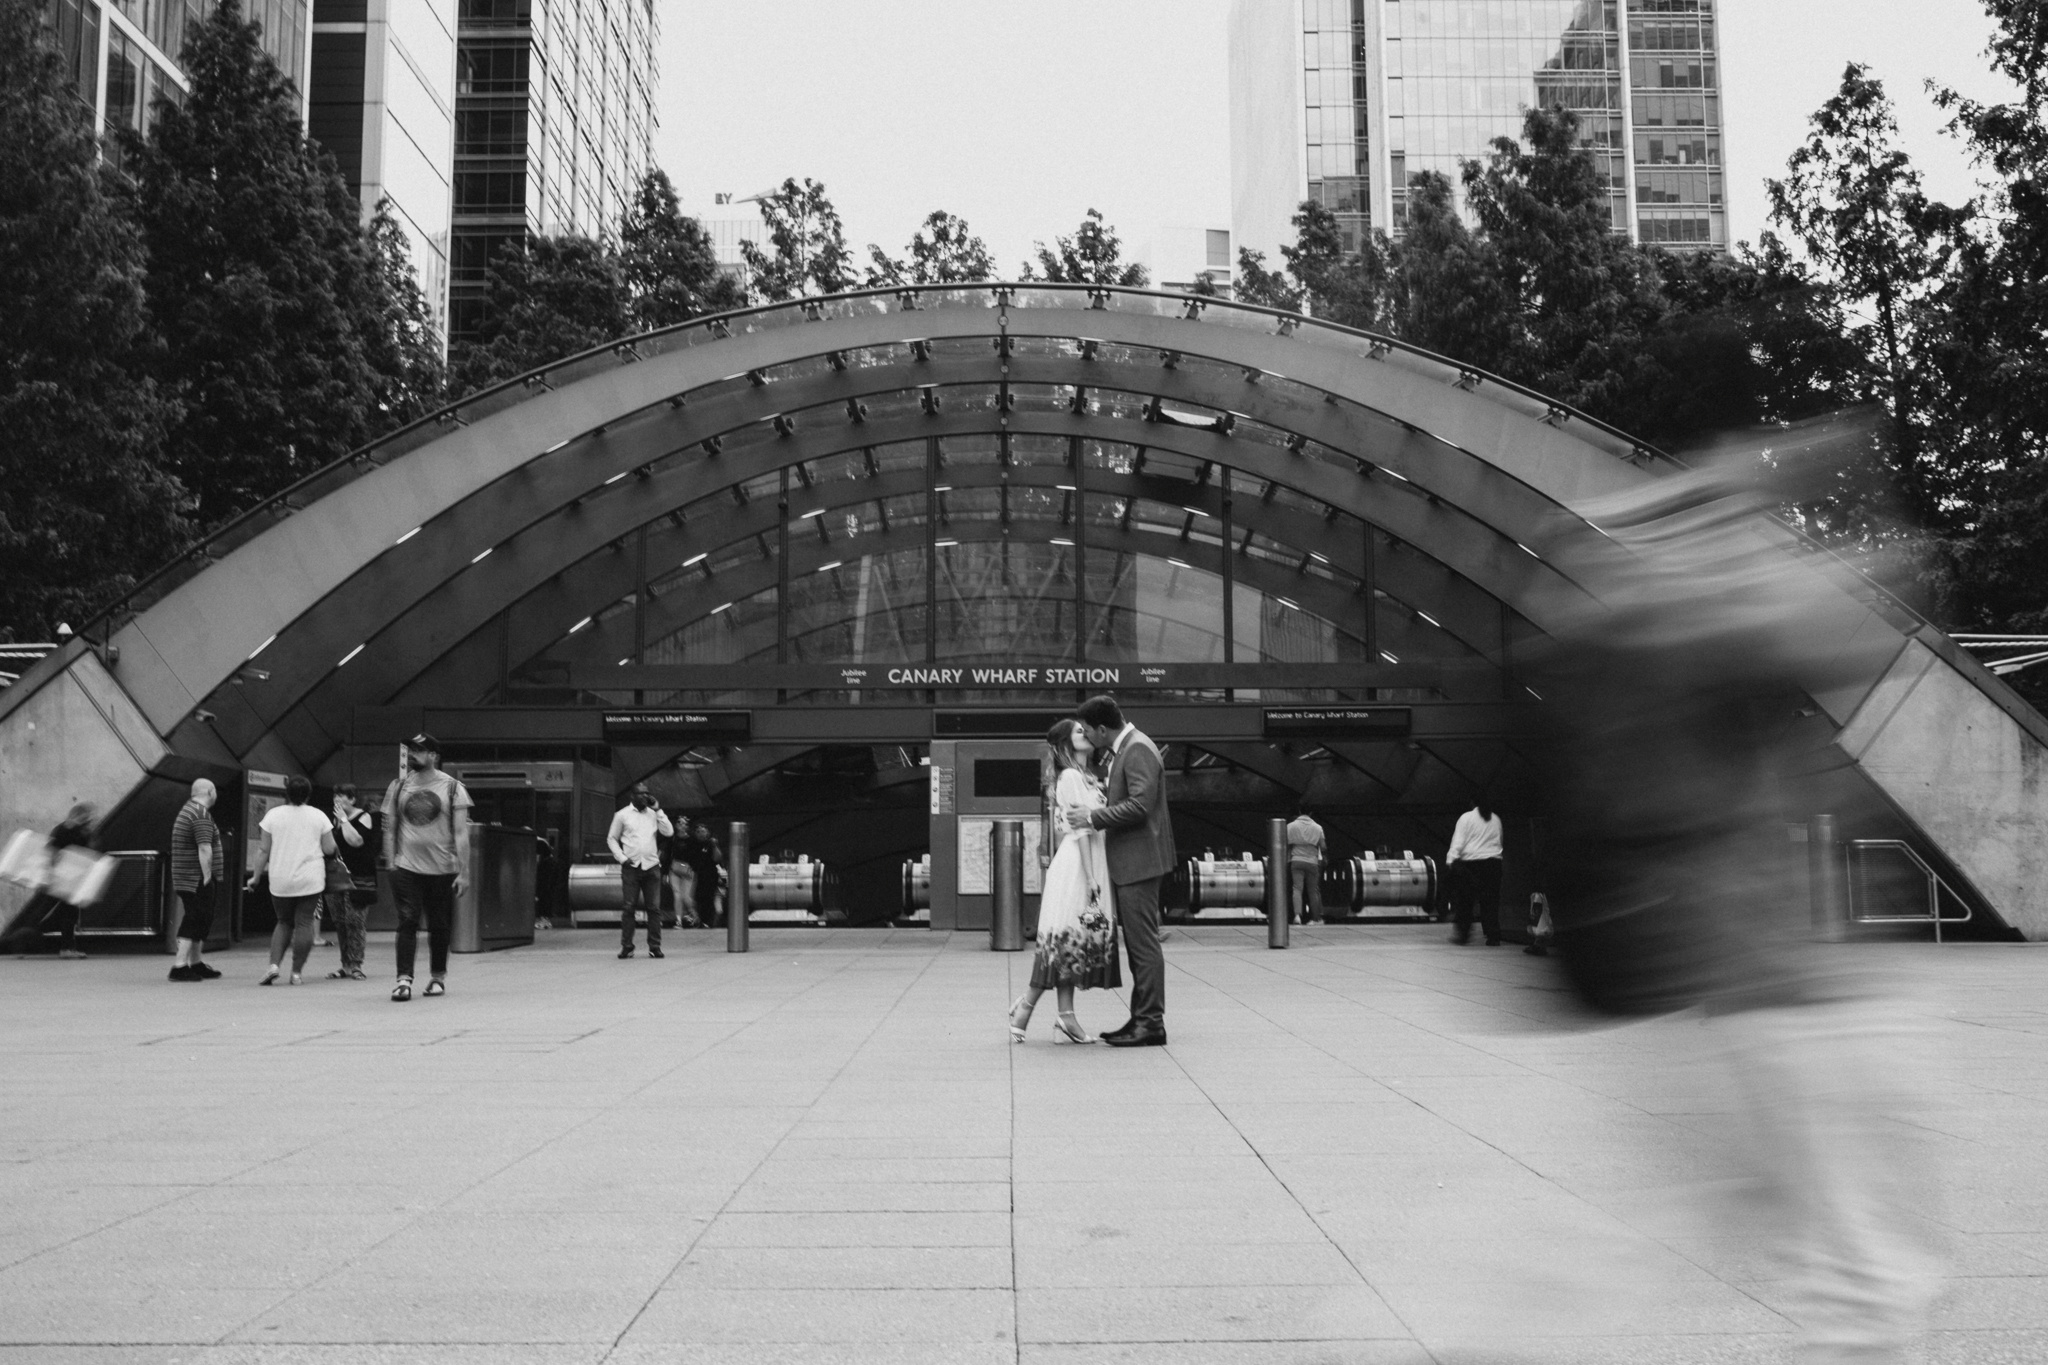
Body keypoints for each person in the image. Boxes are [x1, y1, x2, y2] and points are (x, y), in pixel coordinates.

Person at [1067, 694, 1176, 1048]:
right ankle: (1141, 1019)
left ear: (1102, 728)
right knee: (1139, 945)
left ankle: (1150, 1023)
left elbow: (1141, 805)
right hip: (1136, 861)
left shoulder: (1137, 748)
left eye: (1087, 730)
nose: (1085, 736)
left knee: (1143, 946)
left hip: (1139, 863)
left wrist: (1093, 817)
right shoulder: (1130, 746)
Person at [1010, 720, 1122, 1043]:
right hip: (1079, 864)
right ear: (1065, 744)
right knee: (1065, 941)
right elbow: (1082, 830)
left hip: (1086, 861)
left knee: (1071, 941)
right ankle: (1026, 1009)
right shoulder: (1072, 777)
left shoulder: (1086, 777)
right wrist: (1090, 877)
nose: (1085, 733)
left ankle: (1064, 1016)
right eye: (1077, 731)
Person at [380, 733, 471, 1002]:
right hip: (406, 867)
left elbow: (461, 833)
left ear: (434, 756)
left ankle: (437, 977)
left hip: (443, 868)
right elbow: (389, 827)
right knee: (407, 920)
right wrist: (391, 862)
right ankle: (403, 980)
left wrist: (465, 872)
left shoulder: (454, 788)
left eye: (419, 750)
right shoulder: (398, 786)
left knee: (439, 924)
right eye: (410, 750)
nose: (412, 755)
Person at [247, 775, 335, 985]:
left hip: (280, 878)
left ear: (287, 793)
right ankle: (296, 973)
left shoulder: (273, 815)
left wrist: (255, 877)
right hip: (310, 878)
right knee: (304, 922)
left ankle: (274, 965)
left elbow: (263, 850)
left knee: (283, 921)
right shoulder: (318, 816)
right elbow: (329, 848)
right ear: (308, 794)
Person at [1, 802, 98, 959]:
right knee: (45, 913)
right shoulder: (64, 830)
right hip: (58, 879)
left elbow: (88, 853)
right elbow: (51, 851)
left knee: (67, 914)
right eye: (86, 816)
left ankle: (65, 948)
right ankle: (18, 944)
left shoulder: (83, 832)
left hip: (70, 880)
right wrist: (51, 874)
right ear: (78, 815)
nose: (89, 820)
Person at [607, 782, 672, 958]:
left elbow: (668, 832)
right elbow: (612, 838)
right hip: (632, 867)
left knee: (654, 908)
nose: (645, 796)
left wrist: (659, 811)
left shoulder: (653, 814)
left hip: (651, 866)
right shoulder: (622, 815)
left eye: (647, 793)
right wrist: (621, 858)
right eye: (641, 793)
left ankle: (654, 946)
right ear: (632, 796)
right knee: (629, 908)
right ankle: (627, 946)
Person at [168, 780, 224, 981]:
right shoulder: (200, 814)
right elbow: (204, 847)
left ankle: (196, 962)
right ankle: (180, 965)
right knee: (195, 917)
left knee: (201, 918)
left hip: (188, 875)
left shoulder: (189, 810)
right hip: (195, 877)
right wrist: (207, 875)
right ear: (210, 792)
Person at [324, 784, 377, 980]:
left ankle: (356, 964)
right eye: (335, 798)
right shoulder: (335, 821)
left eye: (341, 798)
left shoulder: (364, 817)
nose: (337, 801)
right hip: (337, 877)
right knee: (339, 921)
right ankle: (345, 965)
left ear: (352, 799)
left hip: (359, 878)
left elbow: (355, 841)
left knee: (355, 921)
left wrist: (344, 821)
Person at [1445, 799, 1505, 946]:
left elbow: (1458, 841)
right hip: (1494, 864)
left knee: (1465, 902)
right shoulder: (1495, 819)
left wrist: (1451, 860)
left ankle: (1463, 935)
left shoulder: (1466, 818)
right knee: (1490, 902)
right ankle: (1493, 936)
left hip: (1471, 865)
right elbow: (1500, 841)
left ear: (1472, 803)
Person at [1285, 807, 1326, 925]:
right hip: (1312, 862)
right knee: (1313, 891)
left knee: (1297, 889)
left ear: (1299, 812)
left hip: (1296, 860)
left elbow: (1285, 844)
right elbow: (1323, 847)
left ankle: (1297, 916)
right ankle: (1316, 919)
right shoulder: (1318, 828)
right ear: (1311, 813)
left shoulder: (1290, 826)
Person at [681, 822, 722, 928]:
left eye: (703, 831)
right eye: (698, 831)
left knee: (709, 899)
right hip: (697, 875)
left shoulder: (711, 844)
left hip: (710, 876)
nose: (700, 834)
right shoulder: (692, 844)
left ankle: (709, 922)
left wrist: (714, 845)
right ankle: (699, 921)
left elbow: (717, 859)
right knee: (697, 899)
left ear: (708, 833)